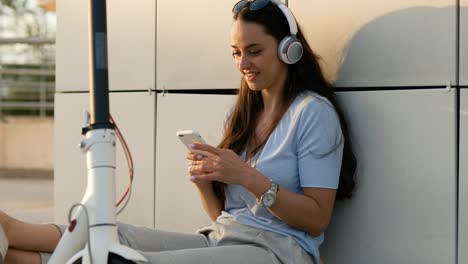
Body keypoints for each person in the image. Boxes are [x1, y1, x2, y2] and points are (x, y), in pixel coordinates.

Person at [0, 0, 356, 263]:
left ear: (288, 50)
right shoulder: (244, 114)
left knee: (127, 258)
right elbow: (223, 217)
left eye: (254, 51)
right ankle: (11, 235)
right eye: (235, 53)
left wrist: (246, 176)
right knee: (110, 233)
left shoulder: (313, 114)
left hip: (277, 252)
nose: (242, 64)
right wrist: (206, 182)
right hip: (223, 240)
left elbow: (316, 219)